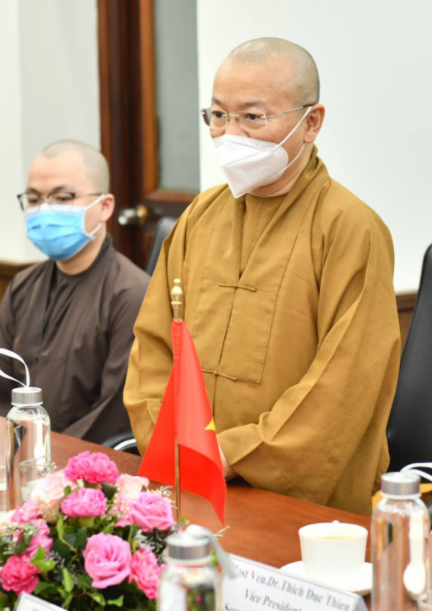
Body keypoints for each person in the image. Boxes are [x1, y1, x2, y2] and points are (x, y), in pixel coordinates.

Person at [124, 38, 401, 515]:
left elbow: (347, 383)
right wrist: (171, 442)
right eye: (217, 115)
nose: (231, 134)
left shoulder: (351, 229)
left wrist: (237, 452)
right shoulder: (199, 218)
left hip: (298, 499)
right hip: (187, 476)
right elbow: (151, 347)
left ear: (310, 122)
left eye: (253, 117)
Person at [0, 140, 150, 443]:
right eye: (33, 199)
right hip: (13, 455)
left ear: (105, 206)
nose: (44, 210)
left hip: (83, 467)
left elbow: (114, 413)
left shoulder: (131, 295)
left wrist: (44, 455)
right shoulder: (23, 285)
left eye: (62, 197)